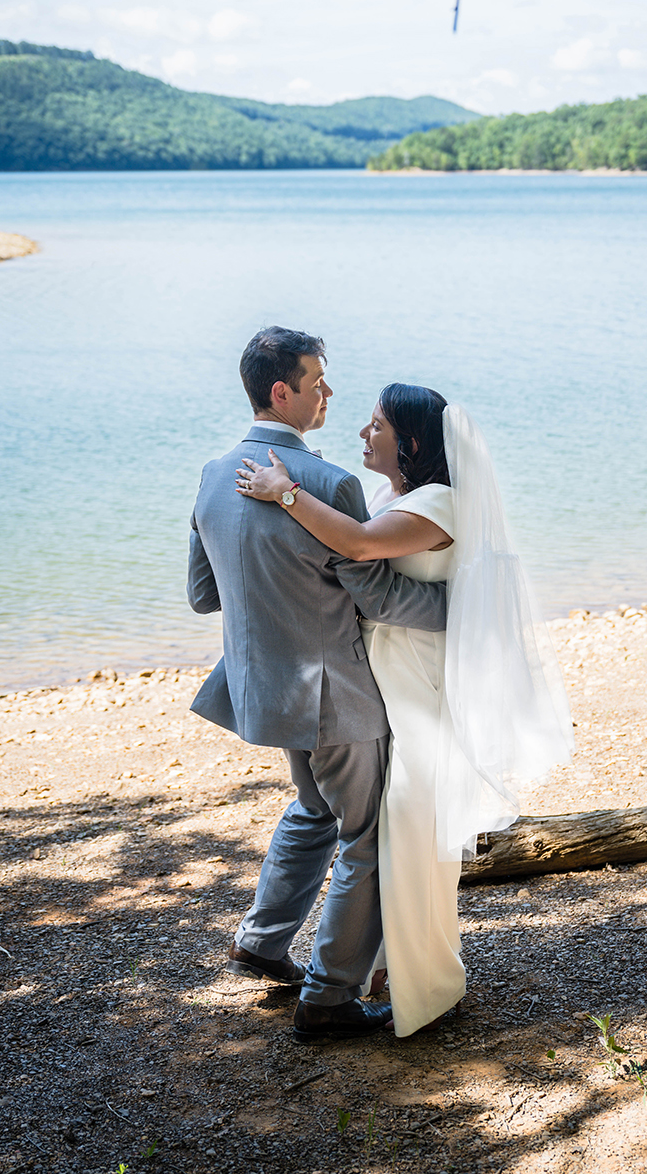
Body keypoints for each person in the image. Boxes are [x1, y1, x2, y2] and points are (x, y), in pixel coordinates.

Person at [237, 384, 574, 1036]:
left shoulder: (439, 504)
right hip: (382, 678)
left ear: (413, 443)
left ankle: (421, 983)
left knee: (412, 830)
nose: (364, 433)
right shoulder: (396, 497)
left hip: (417, 685)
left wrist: (284, 492)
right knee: (386, 827)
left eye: (378, 426)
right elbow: (360, 548)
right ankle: (380, 967)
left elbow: (359, 553)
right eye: (366, 424)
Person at [187, 328, 447, 1043]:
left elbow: (204, 596)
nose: (327, 394)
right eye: (318, 382)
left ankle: (261, 942)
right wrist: (464, 611)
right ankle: (328, 998)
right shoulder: (329, 486)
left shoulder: (213, 473)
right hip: (334, 695)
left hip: (261, 688)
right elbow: (378, 597)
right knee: (365, 834)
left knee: (312, 808)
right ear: (283, 392)